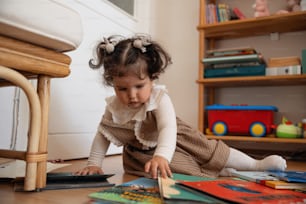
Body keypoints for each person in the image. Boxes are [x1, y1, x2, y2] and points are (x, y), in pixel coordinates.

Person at [76, 34, 287, 179]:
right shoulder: (114, 107)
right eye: (122, 89)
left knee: (211, 151)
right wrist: (94, 163)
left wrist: (161, 154)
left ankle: (254, 164)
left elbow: (167, 128)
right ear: (113, 84)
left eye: (139, 86)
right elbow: (103, 135)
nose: (131, 95)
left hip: (177, 139)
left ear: (153, 78)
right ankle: (221, 172)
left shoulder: (159, 98)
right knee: (175, 170)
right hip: (143, 154)